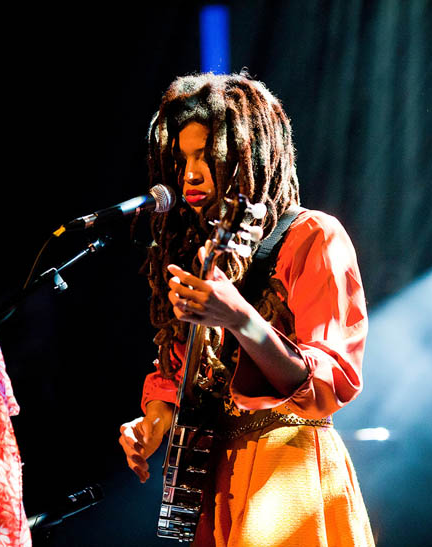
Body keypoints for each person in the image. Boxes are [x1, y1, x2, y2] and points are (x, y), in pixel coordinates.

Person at [118, 71, 374, 546]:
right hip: (217, 482)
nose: (189, 174)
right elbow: (176, 376)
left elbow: (327, 382)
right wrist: (153, 424)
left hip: (287, 470)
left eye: (205, 156)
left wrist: (238, 317)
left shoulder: (313, 236)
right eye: (181, 159)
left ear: (244, 156)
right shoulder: (201, 254)